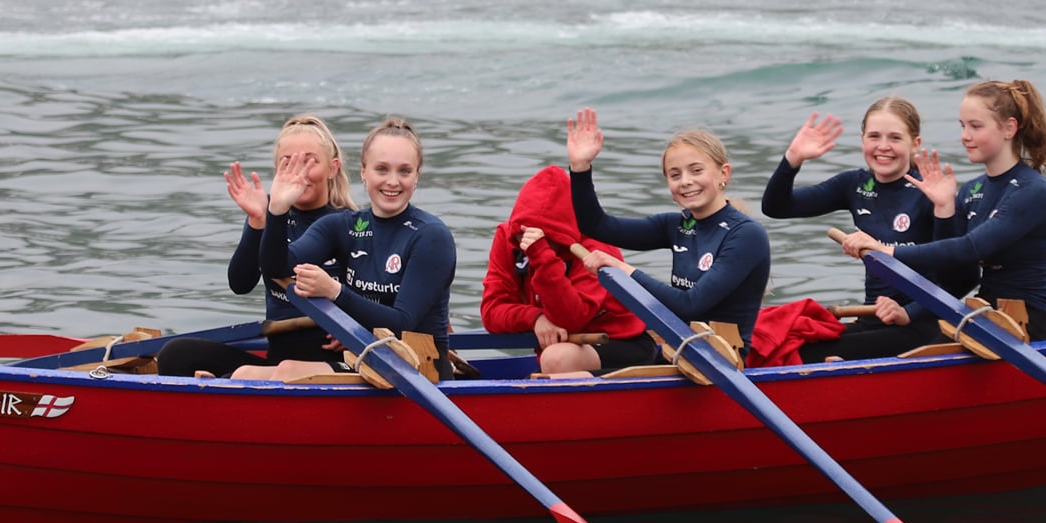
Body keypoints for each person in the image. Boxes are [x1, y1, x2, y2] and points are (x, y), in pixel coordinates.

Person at [227, 118, 456, 382]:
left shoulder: (431, 235)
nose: (392, 181)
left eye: (404, 171)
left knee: (288, 371)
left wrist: (334, 291)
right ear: (364, 172)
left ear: (416, 176)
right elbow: (277, 267)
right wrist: (276, 210)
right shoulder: (343, 225)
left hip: (419, 369)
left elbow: (402, 322)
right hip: (368, 360)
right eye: (382, 169)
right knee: (246, 373)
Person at [840, 79, 1046, 343]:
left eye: (975, 126)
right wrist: (944, 209)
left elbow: (971, 248)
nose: (965, 136)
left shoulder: (1034, 192)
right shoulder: (971, 191)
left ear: (1009, 128)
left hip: (1030, 326)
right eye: (962, 126)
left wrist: (886, 251)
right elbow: (958, 276)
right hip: (986, 316)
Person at [157, 115, 353, 377]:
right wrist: (256, 222)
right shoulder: (270, 214)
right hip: (277, 358)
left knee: (278, 372)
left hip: (335, 362)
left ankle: (223, 385)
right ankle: (222, 387)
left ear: (333, 168)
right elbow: (240, 284)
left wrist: (356, 328)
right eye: (288, 163)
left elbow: (380, 299)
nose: (299, 173)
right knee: (176, 354)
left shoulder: (353, 224)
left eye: (310, 161)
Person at [563, 109, 770, 354]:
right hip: (679, 350)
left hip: (720, 359)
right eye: (675, 175)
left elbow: (690, 304)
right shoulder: (676, 225)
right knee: (563, 358)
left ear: (723, 173)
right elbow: (596, 225)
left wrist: (624, 271)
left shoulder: (747, 235)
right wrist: (580, 168)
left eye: (696, 170)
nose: (685, 181)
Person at [762, 96, 949, 360]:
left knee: (803, 355)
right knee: (783, 343)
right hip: (873, 317)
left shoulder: (931, 193)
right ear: (862, 140)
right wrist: (792, 159)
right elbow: (776, 208)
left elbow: (957, 278)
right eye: (874, 136)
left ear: (915, 144)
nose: (883, 146)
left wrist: (908, 312)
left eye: (895, 138)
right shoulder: (854, 185)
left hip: (922, 324)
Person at [481, 165, 654, 375]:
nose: (527, 245)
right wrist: (534, 318)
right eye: (523, 236)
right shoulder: (508, 237)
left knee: (556, 359)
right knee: (553, 356)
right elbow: (491, 311)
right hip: (564, 345)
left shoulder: (595, 249)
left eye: (547, 239)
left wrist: (542, 256)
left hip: (620, 342)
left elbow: (570, 320)